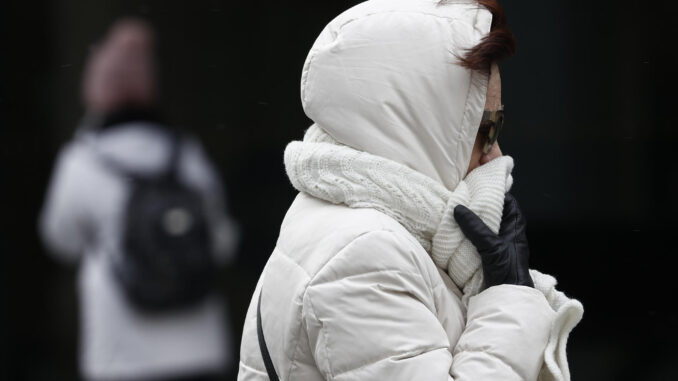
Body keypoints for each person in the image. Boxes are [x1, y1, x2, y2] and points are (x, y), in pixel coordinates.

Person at [237, 0, 583, 380]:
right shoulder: (362, 256)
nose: (496, 153)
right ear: (420, 125)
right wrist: (510, 299)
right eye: (486, 130)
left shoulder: (366, 226)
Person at [40, 19, 238, 381]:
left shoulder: (82, 160)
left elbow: (60, 240)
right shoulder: (186, 154)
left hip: (121, 355)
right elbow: (222, 241)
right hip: (200, 347)